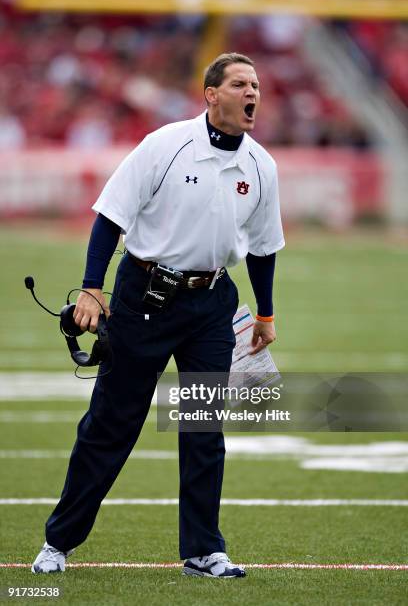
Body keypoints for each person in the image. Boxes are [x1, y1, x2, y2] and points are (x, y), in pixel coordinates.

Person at [32, 52, 285, 578]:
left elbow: (263, 249)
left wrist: (264, 313)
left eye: (256, 84)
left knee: (202, 429)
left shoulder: (262, 165)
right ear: (210, 94)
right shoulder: (164, 146)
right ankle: (58, 542)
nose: (252, 92)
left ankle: (203, 550)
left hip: (211, 303)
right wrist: (91, 289)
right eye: (240, 83)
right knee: (111, 423)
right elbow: (111, 217)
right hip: (144, 297)